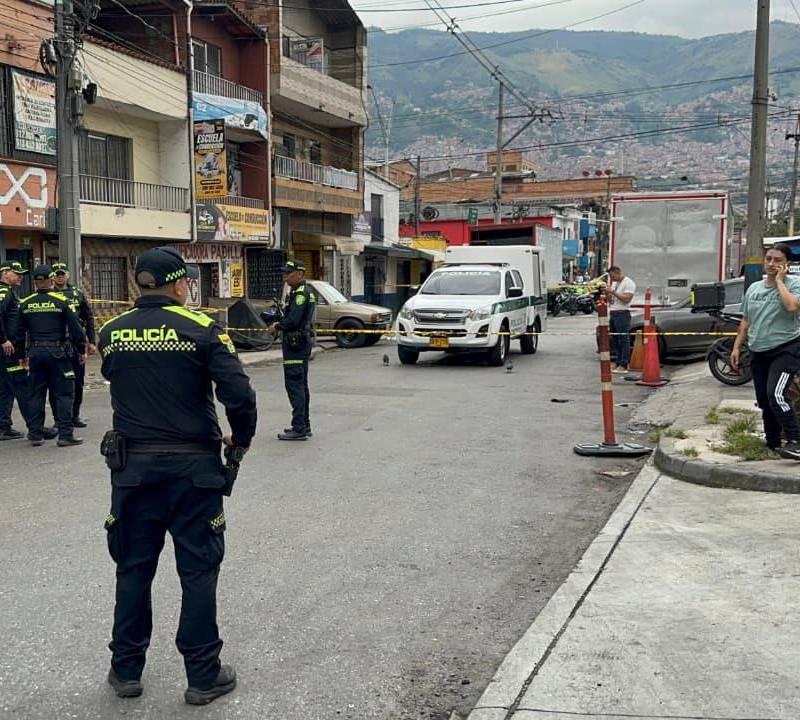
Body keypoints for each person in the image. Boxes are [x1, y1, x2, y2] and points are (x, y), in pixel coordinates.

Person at [98, 247, 257, 705]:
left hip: (133, 472)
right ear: (178, 283)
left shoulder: (111, 331)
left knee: (133, 569)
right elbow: (239, 394)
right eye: (187, 281)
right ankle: (203, 676)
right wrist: (240, 439)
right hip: (194, 473)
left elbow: (115, 375)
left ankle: (126, 670)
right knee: (198, 572)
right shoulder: (203, 329)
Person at [732, 243, 800, 460]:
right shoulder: (754, 288)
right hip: (758, 350)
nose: (771, 263)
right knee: (764, 400)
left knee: (776, 394)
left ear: (787, 264)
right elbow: (746, 320)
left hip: (786, 348)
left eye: (777, 260)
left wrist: (780, 281)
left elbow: (791, 306)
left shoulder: (795, 284)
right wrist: (737, 346)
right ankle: (773, 443)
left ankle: (796, 441)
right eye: (768, 258)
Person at [16, 265, 86, 447]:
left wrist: (21, 355)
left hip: (35, 353)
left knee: (35, 394)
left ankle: (36, 434)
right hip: (58, 353)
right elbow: (76, 330)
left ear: (35, 282)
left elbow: (18, 333)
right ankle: (65, 435)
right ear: (51, 280)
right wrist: (81, 351)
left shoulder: (25, 302)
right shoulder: (62, 301)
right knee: (63, 394)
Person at [266, 259, 316, 441]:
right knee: (301, 386)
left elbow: (294, 320)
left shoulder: (301, 294)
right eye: (284, 273)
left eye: (288, 273)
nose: (285, 277)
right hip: (300, 344)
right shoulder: (299, 292)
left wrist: (277, 326)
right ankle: (304, 424)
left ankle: (299, 428)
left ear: (300, 274)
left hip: (296, 345)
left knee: (295, 386)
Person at [48, 262, 96, 428]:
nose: (60, 277)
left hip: (76, 343)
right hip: (56, 344)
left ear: (67, 276)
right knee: (56, 383)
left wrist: (91, 342)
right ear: (52, 277)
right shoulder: (48, 294)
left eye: (62, 274)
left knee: (77, 381)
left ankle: (74, 415)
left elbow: (88, 318)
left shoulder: (77, 293)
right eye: (57, 275)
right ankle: (59, 419)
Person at [0, 261, 35, 440]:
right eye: (17, 273)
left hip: (9, 349)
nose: (21, 276)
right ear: (6, 273)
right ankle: (35, 427)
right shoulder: (4, 292)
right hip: (8, 350)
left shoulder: (9, 291)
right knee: (22, 386)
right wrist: (3, 340)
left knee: (5, 388)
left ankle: (3, 426)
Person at [602, 266, 636, 373]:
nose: (612, 279)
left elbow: (626, 299)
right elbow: (610, 301)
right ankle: (618, 361)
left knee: (623, 339)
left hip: (622, 313)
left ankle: (624, 364)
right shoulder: (615, 283)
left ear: (617, 273)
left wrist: (613, 291)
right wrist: (607, 292)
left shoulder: (628, 283)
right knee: (615, 340)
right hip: (613, 313)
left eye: (612, 276)